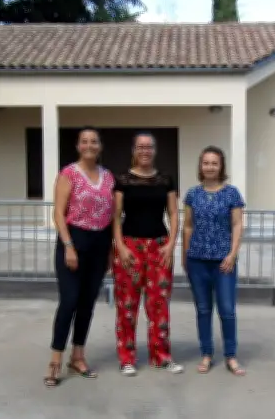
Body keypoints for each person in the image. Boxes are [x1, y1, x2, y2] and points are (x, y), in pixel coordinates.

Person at [44, 127, 115, 388]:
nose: (89, 145)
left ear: (100, 146)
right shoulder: (69, 174)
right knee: (69, 301)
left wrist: (110, 249)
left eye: (94, 141)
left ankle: (78, 356)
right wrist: (68, 246)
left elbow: (111, 215)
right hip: (74, 240)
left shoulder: (108, 177)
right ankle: (55, 359)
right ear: (78, 146)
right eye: (84, 141)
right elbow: (58, 213)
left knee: (87, 302)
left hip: (100, 243)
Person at [112, 132, 184, 376]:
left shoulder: (165, 179)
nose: (145, 150)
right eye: (140, 146)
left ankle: (161, 356)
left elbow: (173, 213)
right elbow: (116, 216)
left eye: (149, 146)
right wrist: (120, 246)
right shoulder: (122, 179)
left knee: (159, 305)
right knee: (127, 305)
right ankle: (126, 358)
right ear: (134, 150)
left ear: (155, 150)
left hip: (159, 247)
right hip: (129, 247)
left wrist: (171, 244)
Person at [182, 145, 247, 376]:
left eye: (214, 163)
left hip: (223, 262)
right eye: (206, 163)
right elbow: (188, 226)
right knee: (203, 310)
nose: (210, 167)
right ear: (201, 166)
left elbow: (237, 225)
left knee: (227, 310)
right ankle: (206, 354)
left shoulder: (232, 194)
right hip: (197, 260)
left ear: (221, 167)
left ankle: (231, 355)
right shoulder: (192, 194)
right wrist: (185, 255)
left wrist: (232, 254)